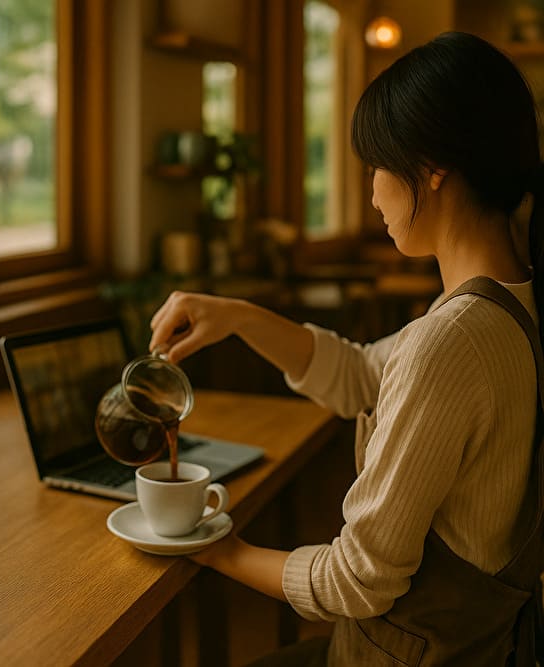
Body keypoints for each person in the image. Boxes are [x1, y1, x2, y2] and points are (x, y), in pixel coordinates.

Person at [149, 32, 544, 665]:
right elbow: (362, 373)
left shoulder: (451, 343)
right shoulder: (512, 306)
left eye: (377, 169)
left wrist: (213, 544)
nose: (372, 195)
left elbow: (357, 580)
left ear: (433, 166)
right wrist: (239, 317)